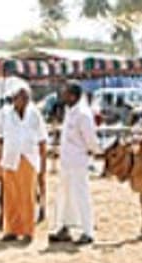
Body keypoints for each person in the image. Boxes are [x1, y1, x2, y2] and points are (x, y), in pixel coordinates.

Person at [50, 82, 101, 246]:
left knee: (81, 196)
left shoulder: (83, 114)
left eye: (65, 93)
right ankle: (64, 227)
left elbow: (91, 140)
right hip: (66, 161)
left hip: (78, 162)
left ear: (73, 96)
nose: (62, 95)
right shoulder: (69, 112)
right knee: (64, 196)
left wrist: (93, 151)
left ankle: (87, 232)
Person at [0, 79, 47, 244]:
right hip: (10, 158)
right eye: (20, 97)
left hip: (28, 157)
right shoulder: (5, 114)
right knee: (10, 196)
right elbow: (0, 137)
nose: (24, 100)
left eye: (26, 97)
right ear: (14, 99)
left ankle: (28, 231)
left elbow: (42, 139)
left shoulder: (35, 114)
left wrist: (43, 162)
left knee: (27, 196)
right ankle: (11, 230)